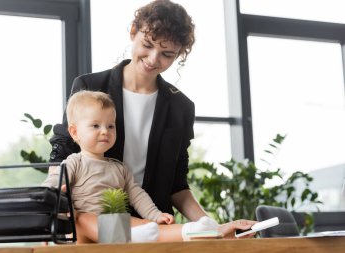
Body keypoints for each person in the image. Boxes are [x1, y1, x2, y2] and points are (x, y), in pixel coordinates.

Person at [48, 0, 256, 242]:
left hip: (153, 224)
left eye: (167, 54)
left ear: (178, 54)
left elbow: (178, 185)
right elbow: (62, 154)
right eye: (147, 45)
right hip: (91, 221)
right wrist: (51, 207)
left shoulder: (181, 107)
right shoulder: (90, 87)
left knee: (160, 232)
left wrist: (214, 228)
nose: (153, 59)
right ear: (133, 32)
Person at [43, 90, 174, 242]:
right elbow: (49, 187)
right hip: (80, 232)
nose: (105, 131)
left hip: (114, 226)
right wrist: (54, 197)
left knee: (148, 224)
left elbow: (137, 196)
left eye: (111, 126)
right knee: (83, 219)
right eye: (95, 126)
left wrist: (156, 215)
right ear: (74, 132)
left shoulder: (119, 168)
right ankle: (129, 236)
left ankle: (192, 230)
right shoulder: (74, 163)